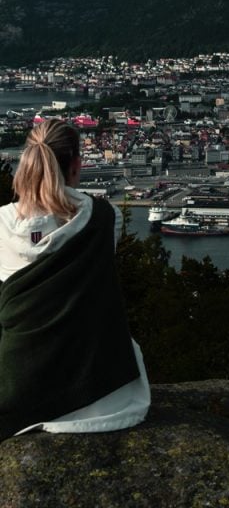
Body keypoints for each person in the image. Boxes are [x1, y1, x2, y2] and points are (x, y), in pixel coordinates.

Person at [0, 119, 150, 439]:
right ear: (77, 165)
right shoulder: (104, 218)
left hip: (21, 393)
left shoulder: (1, 225)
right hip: (106, 394)